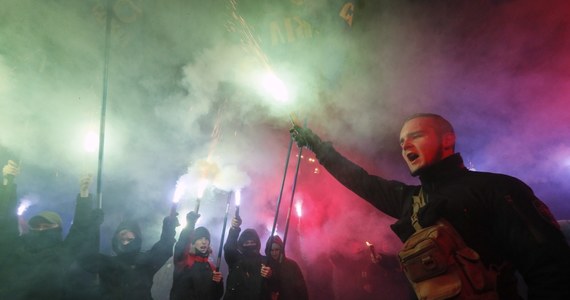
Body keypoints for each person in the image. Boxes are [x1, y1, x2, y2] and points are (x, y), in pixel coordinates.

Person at [291, 113, 570, 299]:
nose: (405, 145)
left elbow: (551, 270)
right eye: (401, 142)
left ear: (448, 140)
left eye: (416, 136)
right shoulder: (410, 201)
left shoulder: (496, 188)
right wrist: (318, 147)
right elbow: (361, 181)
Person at [0, 162, 100, 300]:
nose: (40, 229)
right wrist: (7, 183)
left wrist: (84, 194)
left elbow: (80, 229)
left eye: (46, 226)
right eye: (36, 226)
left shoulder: (61, 254)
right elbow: (6, 220)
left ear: (57, 229)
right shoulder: (16, 248)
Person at [95, 210, 178, 300]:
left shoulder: (145, 261)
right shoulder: (107, 263)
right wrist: (91, 225)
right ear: (115, 240)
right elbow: (83, 252)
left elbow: (163, 248)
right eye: (122, 237)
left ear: (137, 239)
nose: (125, 241)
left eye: (129, 239)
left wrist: (169, 227)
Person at [170, 211, 224, 300]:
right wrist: (190, 226)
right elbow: (181, 245)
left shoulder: (212, 267)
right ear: (193, 243)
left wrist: (218, 283)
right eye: (200, 238)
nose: (204, 242)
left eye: (206, 239)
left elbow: (217, 295)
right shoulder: (184, 261)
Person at [223, 216, 275, 300]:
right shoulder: (235, 260)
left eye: (252, 242)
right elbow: (229, 248)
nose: (250, 245)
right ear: (241, 244)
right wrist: (234, 229)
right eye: (246, 242)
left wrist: (270, 275)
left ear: (257, 243)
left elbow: (275, 286)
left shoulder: (265, 262)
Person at [264, 235, 309, 300]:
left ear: (281, 249)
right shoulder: (266, 267)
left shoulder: (292, 265)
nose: (274, 253)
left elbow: (302, 290)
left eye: (277, 250)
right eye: (271, 250)